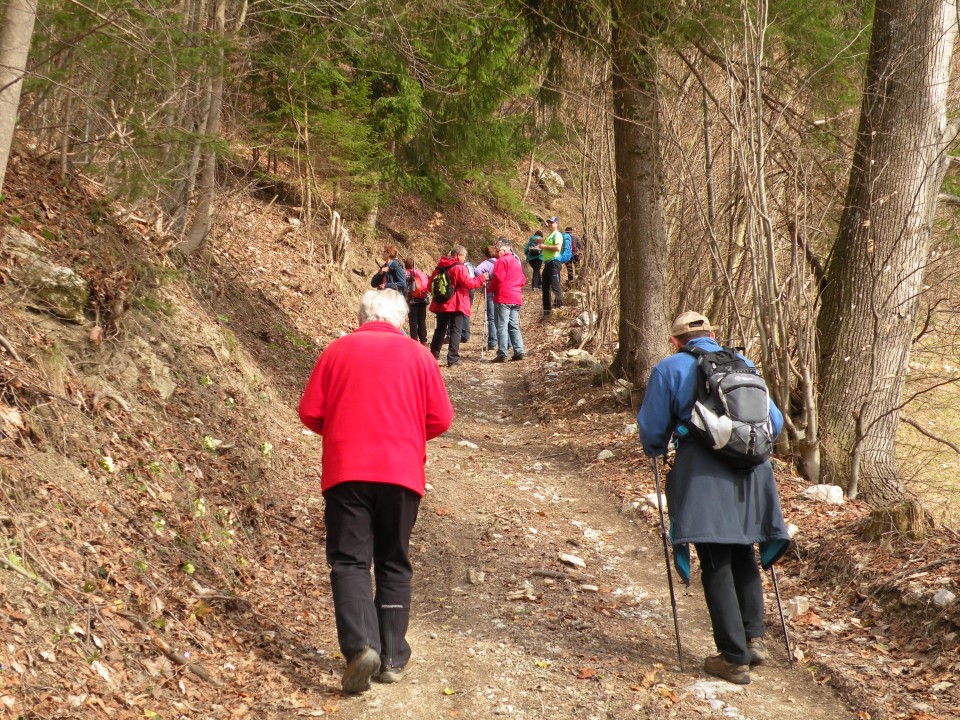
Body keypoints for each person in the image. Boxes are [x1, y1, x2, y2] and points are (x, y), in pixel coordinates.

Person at [298, 289, 454, 694]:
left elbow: (310, 412)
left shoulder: (337, 351)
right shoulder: (420, 356)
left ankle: (359, 648)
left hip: (346, 472)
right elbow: (441, 418)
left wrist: (339, 435)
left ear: (362, 315)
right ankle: (390, 658)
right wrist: (409, 438)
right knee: (393, 562)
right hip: (401, 473)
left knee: (350, 563)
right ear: (401, 320)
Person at [637, 311, 791, 686]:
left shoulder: (669, 369)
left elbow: (652, 430)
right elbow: (775, 421)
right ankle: (754, 640)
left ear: (676, 341)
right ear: (714, 334)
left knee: (716, 558)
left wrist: (658, 446)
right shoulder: (744, 364)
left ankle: (733, 658)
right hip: (754, 474)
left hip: (704, 476)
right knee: (744, 551)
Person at [428, 245, 489, 367]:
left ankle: (433, 356)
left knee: (440, 329)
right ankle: (453, 359)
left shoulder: (439, 267)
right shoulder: (459, 268)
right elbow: (469, 283)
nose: (464, 259)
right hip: (456, 303)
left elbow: (430, 286)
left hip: (441, 303)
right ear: (458, 255)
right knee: (456, 330)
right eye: (464, 256)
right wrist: (482, 278)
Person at [487, 238, 525, 362]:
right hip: (516, 297)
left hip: (504, 296)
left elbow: (498, 278)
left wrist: (489, 289)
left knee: (502, 325)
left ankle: (502, 353)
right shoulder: (515, 261)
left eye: (498, 251)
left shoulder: (502, 261)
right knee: (514, 325)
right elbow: (523, 280)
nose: (497, 254)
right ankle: (519, 350)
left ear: (503, 251)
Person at [473, 245, 499, 352]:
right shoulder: (499, 262)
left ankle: (493, 341)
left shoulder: (486, 263)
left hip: (489, 291)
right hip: (500, 292)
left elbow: (477, 271)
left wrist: (485, 278)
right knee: (501, 317)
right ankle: (506, 341)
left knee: (491, 317)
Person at [538, 217, 563, 317]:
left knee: (555, 285)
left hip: (554, 262)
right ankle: (547, 311)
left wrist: (544, 246)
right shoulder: (550, 235)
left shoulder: (557, 235)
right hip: (547, 263)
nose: (550, 224)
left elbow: (557, 248)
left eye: (552, 222)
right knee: (545, 287)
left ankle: (559, 308)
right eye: (549, 222)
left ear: (556, 223)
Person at [403, 257, 429, 344]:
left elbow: (403, 285)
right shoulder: (420, 272)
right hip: (423, 299)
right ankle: (423, 340)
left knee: (413, 321)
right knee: (422, 320)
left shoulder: (406, 273)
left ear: (405, 265)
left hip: (412, 301)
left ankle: (414, 340)